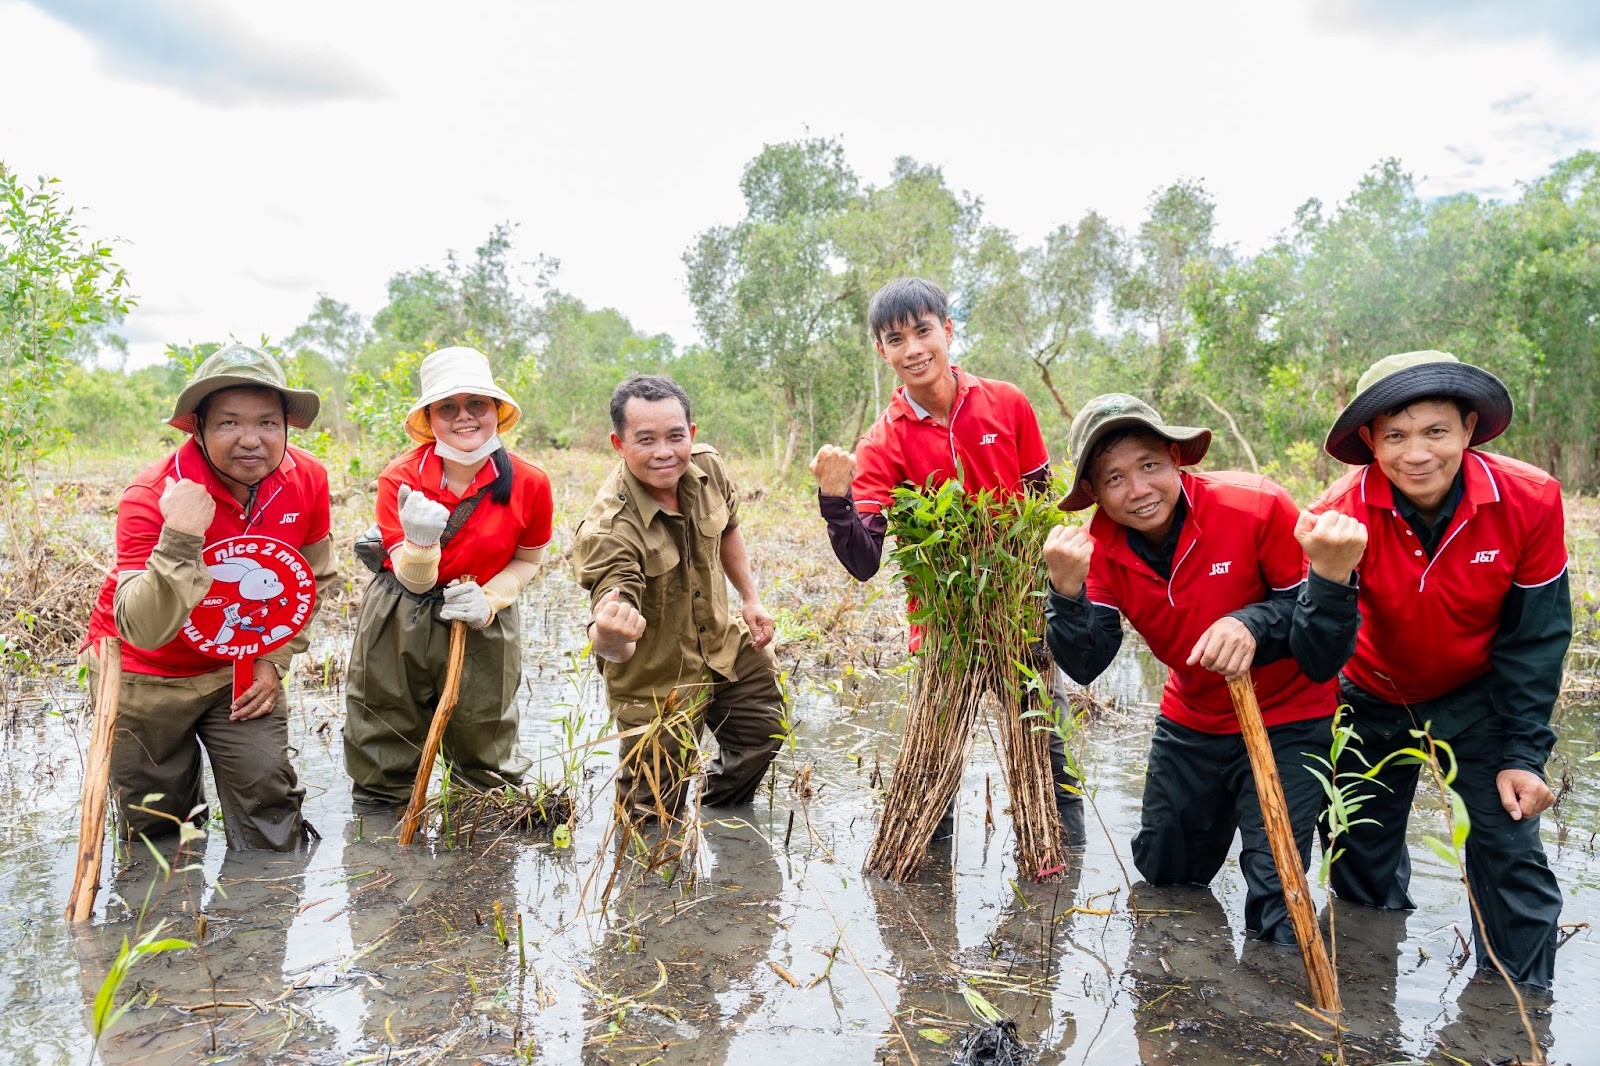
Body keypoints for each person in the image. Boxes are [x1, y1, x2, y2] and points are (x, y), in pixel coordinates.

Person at [1043, 393, 1367, 944]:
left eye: (1149, 465)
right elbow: (1087, 661)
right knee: (1165, 876)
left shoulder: (1256, 504)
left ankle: (1277, 992)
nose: (1138, 490)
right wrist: (1065, 591)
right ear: (1093, 492)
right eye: (1115, 478)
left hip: (1288, 715)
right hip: (1193, 716)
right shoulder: (1096, 546)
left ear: (1176, 458)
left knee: (1278, 894)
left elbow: (1313, 630)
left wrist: (1250, 623)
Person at [1305, 350, 1569, 989]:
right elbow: (1315, 658)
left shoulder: (1530, 499)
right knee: (1358, 855)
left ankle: (1517, 1012)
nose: (1416, 454)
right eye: (1395, 436)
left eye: (1436, 431)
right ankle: (1365, 1006)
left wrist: (1524, 755)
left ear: (1469, 428)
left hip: (1478, 697)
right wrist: (1330, 577)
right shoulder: (1337, 515)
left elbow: (1535, 639)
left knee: (1508, 848)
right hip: (1371, 694)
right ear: (1370, 441)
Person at [808, 276, 1083, 845]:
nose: (912, 349)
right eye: (895, 339)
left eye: (922, 331)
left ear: (948, 330)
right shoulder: (882, 443)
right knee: (931, 780)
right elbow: (864, 561)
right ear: (881, 351)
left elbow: (1041, 508)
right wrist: (835, 501)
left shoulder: (1007, 403)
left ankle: (1064, 867)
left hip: (1020, 621)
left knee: (1051, 764)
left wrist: (1052, 603)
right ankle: (926, 881)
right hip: (943, 630)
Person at [81, 344, 336, 851]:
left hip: (237, 669)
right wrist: (180, 535)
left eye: (268, 423)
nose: (251, 440)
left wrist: (273, 658)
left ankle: (267, 900)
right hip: (144, 674)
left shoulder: (307, 479)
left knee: (271, 810)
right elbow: (143, 627)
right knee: (157, 830)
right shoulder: (151, 496)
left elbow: (311, 579)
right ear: (197, 428)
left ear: (287, 425)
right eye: (229, 423)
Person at [343, 346, 553, 806]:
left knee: (486, 751)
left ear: (495, 410)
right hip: (401, 610)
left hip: (483, 614)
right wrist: (421, 543)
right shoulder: (400, 477)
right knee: (384, 738)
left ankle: (479, 838)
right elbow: (415, 582)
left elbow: (528, 559)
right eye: (447, 407)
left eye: (476, 403)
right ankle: (383, 842)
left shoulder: (530, 481)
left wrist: (490, 601)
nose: (464, 417)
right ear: (429, 418)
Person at [571, 374, 782, 818]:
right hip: (657, 679)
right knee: (651, 811)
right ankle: (658, 852)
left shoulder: (708, 467)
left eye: (675, 436)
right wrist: (609, 634)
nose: (664, 452)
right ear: (618, 444)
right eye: (645, 440)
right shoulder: (609, 529)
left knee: (764, 730)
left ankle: (716, 817)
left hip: (722, 643)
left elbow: (729, 526)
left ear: (692, 433)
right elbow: (611, 622)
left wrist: (750, 598)